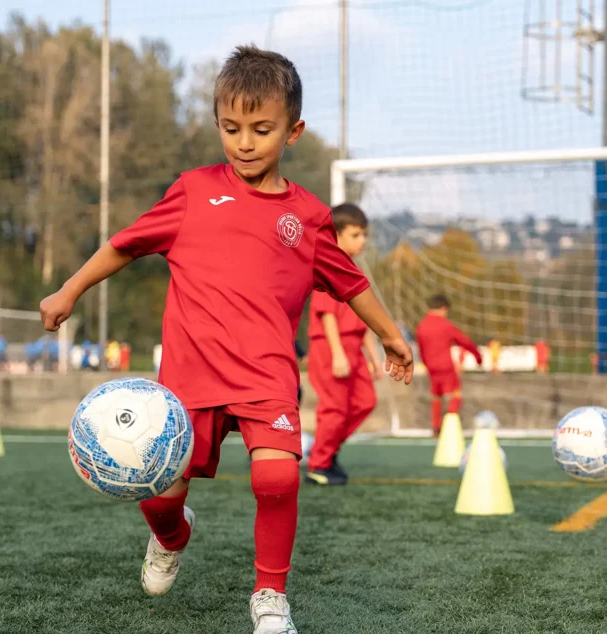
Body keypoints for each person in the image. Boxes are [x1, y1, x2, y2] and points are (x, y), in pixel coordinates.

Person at [39, 45, 413, 633]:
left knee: (278, 476)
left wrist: (392, 337)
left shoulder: (310, 217)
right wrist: (69, 290)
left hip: (266, 374)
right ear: (218, 124)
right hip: (191, 378)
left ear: (293, 131)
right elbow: (124, 245)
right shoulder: (192, 191)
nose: (244, 142)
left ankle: (270, 598)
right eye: (231, 128)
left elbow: (352, 283)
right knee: (158, 493)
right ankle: (172, 536)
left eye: (261, 129)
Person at [305, 203, 383, 485]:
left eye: (364, 235)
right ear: (335, 234)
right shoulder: (329, 263)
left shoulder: (355, 269)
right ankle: (318, 465)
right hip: (331, 348)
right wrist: (338, 354)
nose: (362, 241)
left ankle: (328, 449)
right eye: (355, 235)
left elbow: (365, 320)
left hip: (354, 349)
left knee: (366, 401)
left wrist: (374, 357)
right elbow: (326, 314)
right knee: (334, 408)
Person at [414, 295, 482, 435]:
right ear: (444, 309)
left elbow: (420, 348)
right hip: (445, 366)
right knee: (455, 393)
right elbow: (464, 341)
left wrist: (426, 363)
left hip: (431, 367)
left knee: (436, 395)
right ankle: (449, 423)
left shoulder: (421, 326)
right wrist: (477, 356)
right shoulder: (445, 325)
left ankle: (435, 427)